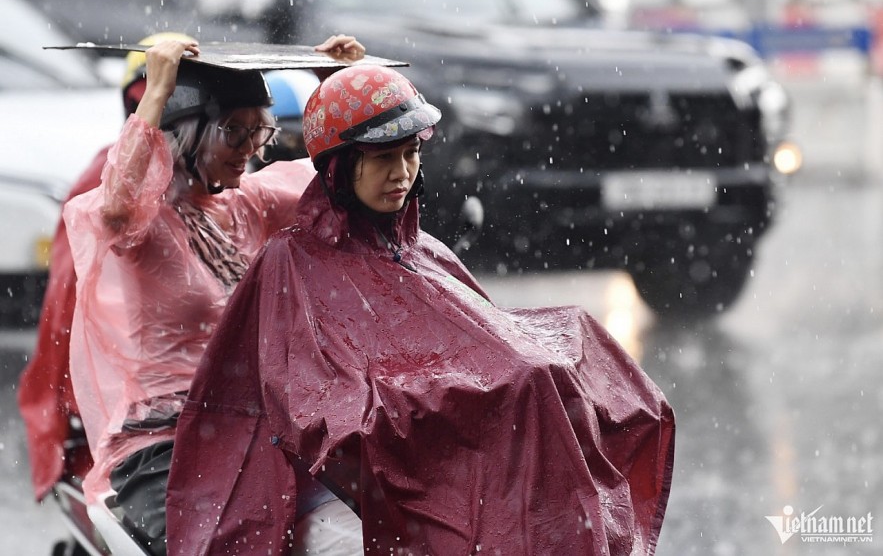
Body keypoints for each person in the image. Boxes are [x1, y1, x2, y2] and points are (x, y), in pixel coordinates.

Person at [167, 65, 676, 555]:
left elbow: (485, 342)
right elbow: (315, 412)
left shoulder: (424, 251)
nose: (402, 173)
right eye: (384, 158)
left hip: (436, 470)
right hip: (331, 486)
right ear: (340, 166)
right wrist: (451, 397)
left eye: (411, 154)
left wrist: (522, 380)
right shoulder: (291, 262)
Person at [62, 35, 366, 555]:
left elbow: (344, 192)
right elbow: (117, 206)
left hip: (257, 433)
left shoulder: (249, 202)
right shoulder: (143, 219)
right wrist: (156, 91)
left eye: (260, 130)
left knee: (367, 537)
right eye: (234, 131)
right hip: (162, 448)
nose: (251, 146)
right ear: (186, 133)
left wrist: (337, 87)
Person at [18, 31, 196, 504]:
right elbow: (67, 302)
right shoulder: (107, 184)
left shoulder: (222, 189)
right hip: (137, 411)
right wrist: (64, 411)